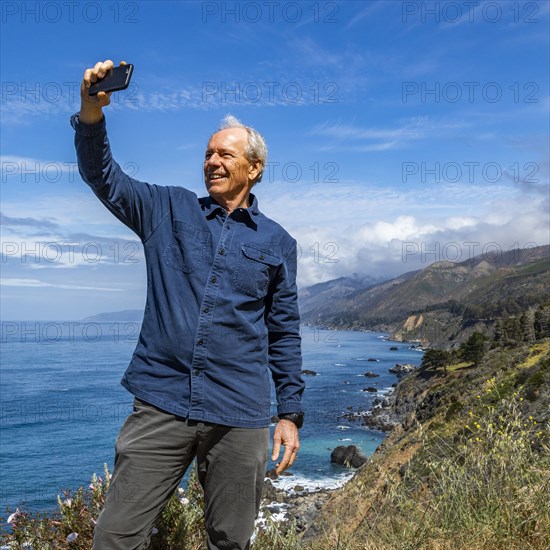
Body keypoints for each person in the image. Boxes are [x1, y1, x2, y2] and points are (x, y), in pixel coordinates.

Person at [71, 59, 305, 550]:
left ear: (254, 168)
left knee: (229, 541)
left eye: (225, 154)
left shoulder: (279, 242)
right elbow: (104, 177)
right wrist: (91, 109)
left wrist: (289, 414)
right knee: (115, 538)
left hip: (240, 413)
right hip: (161, 401)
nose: (213, 161)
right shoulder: (168, 209)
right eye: (207, 153)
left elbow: (283, 331)